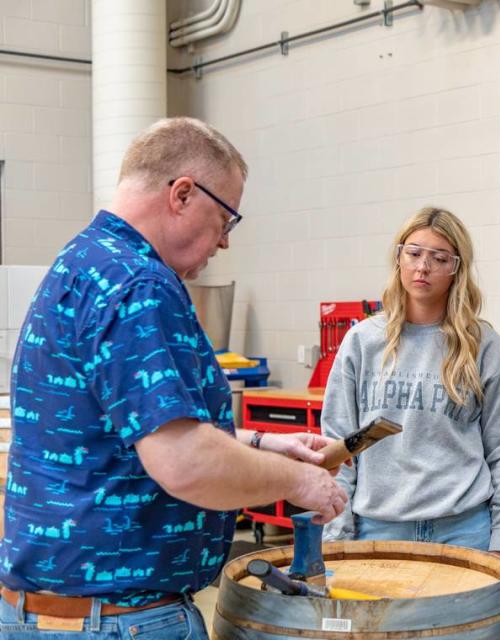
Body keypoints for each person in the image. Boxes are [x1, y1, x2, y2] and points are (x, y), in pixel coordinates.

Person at [0, 117, 348, 639]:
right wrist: (302, 482)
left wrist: (262, 443)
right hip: (120, 620)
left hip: (47, 613)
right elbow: (184, 465)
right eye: (226, 219)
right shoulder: (140, 283)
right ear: (183, 194)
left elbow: (126, 428)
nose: (224, 242)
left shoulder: (83, 261)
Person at [321, 207, 500, 560]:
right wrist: (337, 529)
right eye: (413, 253)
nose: (422, 267)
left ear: (456, 268)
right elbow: (338, 447)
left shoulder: (482, 345)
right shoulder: (362, 341)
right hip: (379, 529)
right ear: (399, 258)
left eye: (439, 258)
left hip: (463, 530)